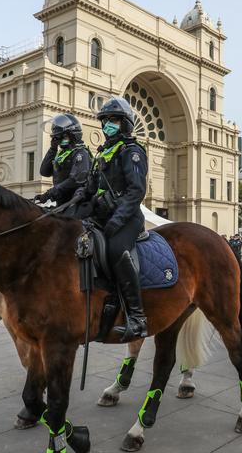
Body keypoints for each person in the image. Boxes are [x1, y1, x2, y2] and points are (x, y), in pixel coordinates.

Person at [76, 96, 148, 341]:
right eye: (105, 121)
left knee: (117, 250)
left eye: (113, 121)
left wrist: (117, 220)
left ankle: (137, 318)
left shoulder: (132, 151)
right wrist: (70, 204)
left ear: (125, 123)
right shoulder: (102, 153)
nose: (108, 125)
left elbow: (136, 190)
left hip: (127, 219)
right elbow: (90, 189)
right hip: (101, 217)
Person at [35, 113, 91, 209]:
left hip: (77, 204)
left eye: (63, 137)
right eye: (58, 138)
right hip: (62, 204)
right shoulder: (62, 154)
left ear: (73, 135)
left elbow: (75, 180)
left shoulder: (81, 153)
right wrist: (53, 149)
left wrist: (49, 194)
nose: (60, 140)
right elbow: (44, 171)